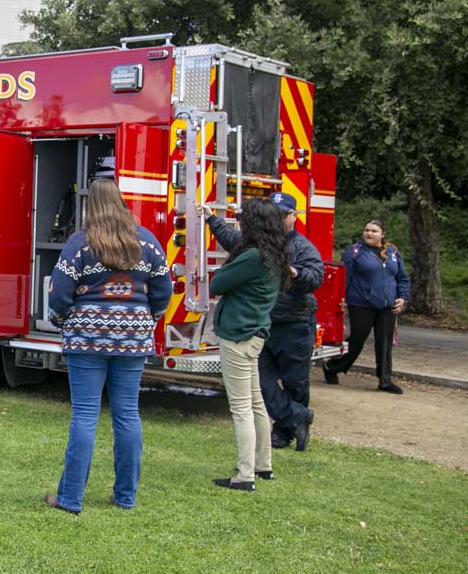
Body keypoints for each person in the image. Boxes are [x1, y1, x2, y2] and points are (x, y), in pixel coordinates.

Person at [42, 179, 172, 515]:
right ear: (121, 202)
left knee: (84, 416)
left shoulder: (80, 244)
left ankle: (70, 499)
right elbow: (163, 290)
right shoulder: (147, 242)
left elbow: (58, 294)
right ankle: (125, 497)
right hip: (133, 341)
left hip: (86, 338)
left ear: (91, 205)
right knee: (128, 415)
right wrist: (147, 321)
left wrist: (62, 321)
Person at [204, 192, 322, 451]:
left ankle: (284, 432)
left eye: (283, 215)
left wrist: (295, 272)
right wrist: (212, 220)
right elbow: (231, 239)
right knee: (263, 385)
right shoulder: (260, 246)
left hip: (294, 322)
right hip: (266, 324)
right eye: (274, 215)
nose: (278, 220)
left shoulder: (303, 247)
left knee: (295, 382)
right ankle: (295, 417)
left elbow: (316, 277)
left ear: (294, 217)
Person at [200, 197, 290, 491]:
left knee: (241, 409)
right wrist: (213, 219)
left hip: (238, 336)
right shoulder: (273, 252)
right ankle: (263, 466)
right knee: (256, 404)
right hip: (254, 335)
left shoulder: (253, 256)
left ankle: (244, 474)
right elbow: (232, 241)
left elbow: (217, 283)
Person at [323, 219, 410, 394]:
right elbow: (344, 277)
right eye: (367, 230)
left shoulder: (392, 252)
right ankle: (332, 367)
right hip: (361, 303)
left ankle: (385, 381)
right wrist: (341, 299)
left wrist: (402, 297)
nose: (369, 233)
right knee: (357, 340)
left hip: (388, 305)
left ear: (382, 234)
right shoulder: (354, 252)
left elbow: (402, 278)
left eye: (374, 231)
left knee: (384, 343)